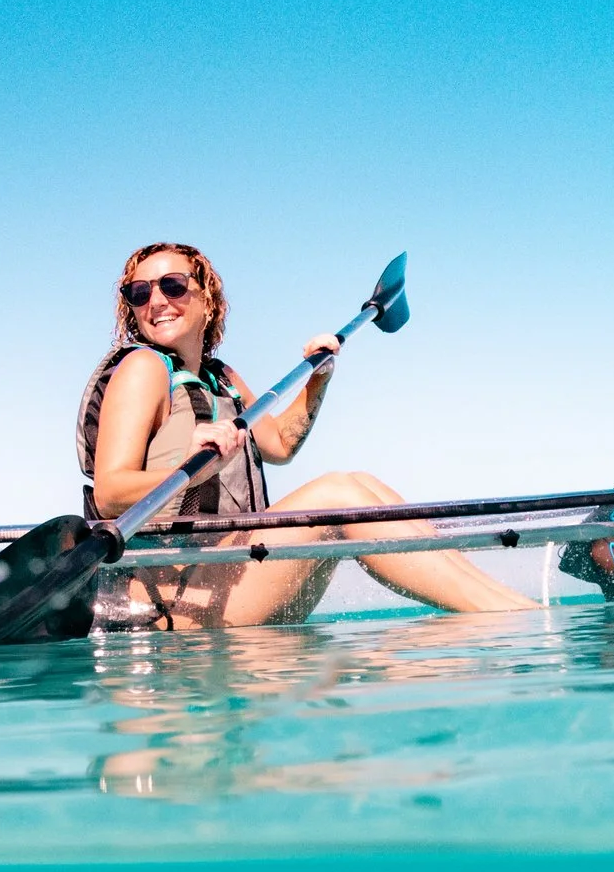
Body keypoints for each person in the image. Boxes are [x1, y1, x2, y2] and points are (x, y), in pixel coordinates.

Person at [77, 242, 536, 629]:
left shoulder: (224, 378)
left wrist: (319, 381)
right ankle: (513, 622)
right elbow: (113, 493)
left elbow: (280, 445)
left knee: (359, 484)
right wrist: (190, 472)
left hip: (231, 570)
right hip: (173, 597)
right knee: (337, 493)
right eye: (139, 293)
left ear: (207, 300)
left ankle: (512, 610)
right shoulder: (142, 369)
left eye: (172, 286)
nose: (155, 301)